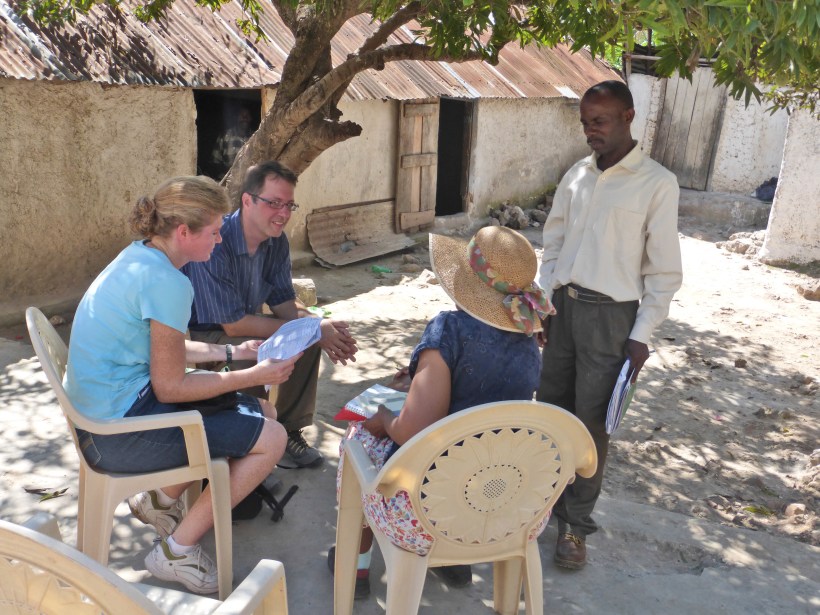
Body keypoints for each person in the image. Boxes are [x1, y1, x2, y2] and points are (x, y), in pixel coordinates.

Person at [63, 176, 300, 594]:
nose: (220, 241)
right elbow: (171, 387)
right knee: (273, 437)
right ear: (184, 232)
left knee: (264, 411)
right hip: (114, 435)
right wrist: (254, 376)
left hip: (103, 414)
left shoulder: (140, 257)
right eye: (214, 232)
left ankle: (158, 500)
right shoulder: (169, 282)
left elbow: (163, 347)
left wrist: (232, 352)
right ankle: (176, 551)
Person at [327, 226, 554, 599]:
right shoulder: (529, 341)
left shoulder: (449, 329)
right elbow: (478, 396)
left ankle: (356, 563)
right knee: (472, 450)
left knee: (359, 438)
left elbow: (413, 431)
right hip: (503, 507)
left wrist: (384, 419)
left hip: (429, 511)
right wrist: (419, 377)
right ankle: (454, 561)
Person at [536, 80, 683, 569]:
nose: (590, 131)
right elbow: (554, 242)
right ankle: (537, 505)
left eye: (599, 121)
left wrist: (640, 336)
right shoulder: (576, 175)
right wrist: (545, 302)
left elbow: (663, 272)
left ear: (628, 117)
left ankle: (575, 527)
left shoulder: (657, 183)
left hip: (612, 318)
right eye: (585, 123)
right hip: (563, 309)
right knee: (550, 413)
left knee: (591, 425)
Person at [182, 161, 358, 468]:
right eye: (274, 203)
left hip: (242, 326)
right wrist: (312, 329)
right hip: (205, 336)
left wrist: (319, 326)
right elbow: (234, 325)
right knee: (258, 353)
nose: (283, 213)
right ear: (248, 200)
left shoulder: (277, 242)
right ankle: (247, 437)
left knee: (306, 340)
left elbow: (284, 303)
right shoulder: (218, 240)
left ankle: (287, 430)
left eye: (289, 205)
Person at [210, 105, 254, 178]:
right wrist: (229, 172)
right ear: (236, 117)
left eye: (247, 115)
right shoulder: (225, 136)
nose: (245, 118)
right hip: (226, 180)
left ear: (251, 118)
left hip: (248, 181)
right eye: (241, 115)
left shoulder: (255, 138)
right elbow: (215, 161)